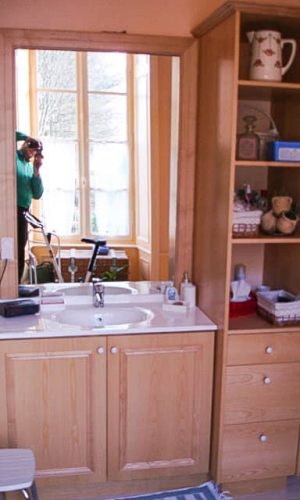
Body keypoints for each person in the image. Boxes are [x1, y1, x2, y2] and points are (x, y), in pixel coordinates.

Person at [16, 131, 44, 281]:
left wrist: (37, 170)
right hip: (12, 209)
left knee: (21, 250)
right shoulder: (12, 156)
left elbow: (37, 194)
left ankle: (16, 284)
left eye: (36, 151)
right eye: (31, 149)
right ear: (25, 146)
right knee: (12, 250)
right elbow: (8, 134)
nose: (33, 153)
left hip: (24, 213)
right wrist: (26, 137)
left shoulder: (29, 166)